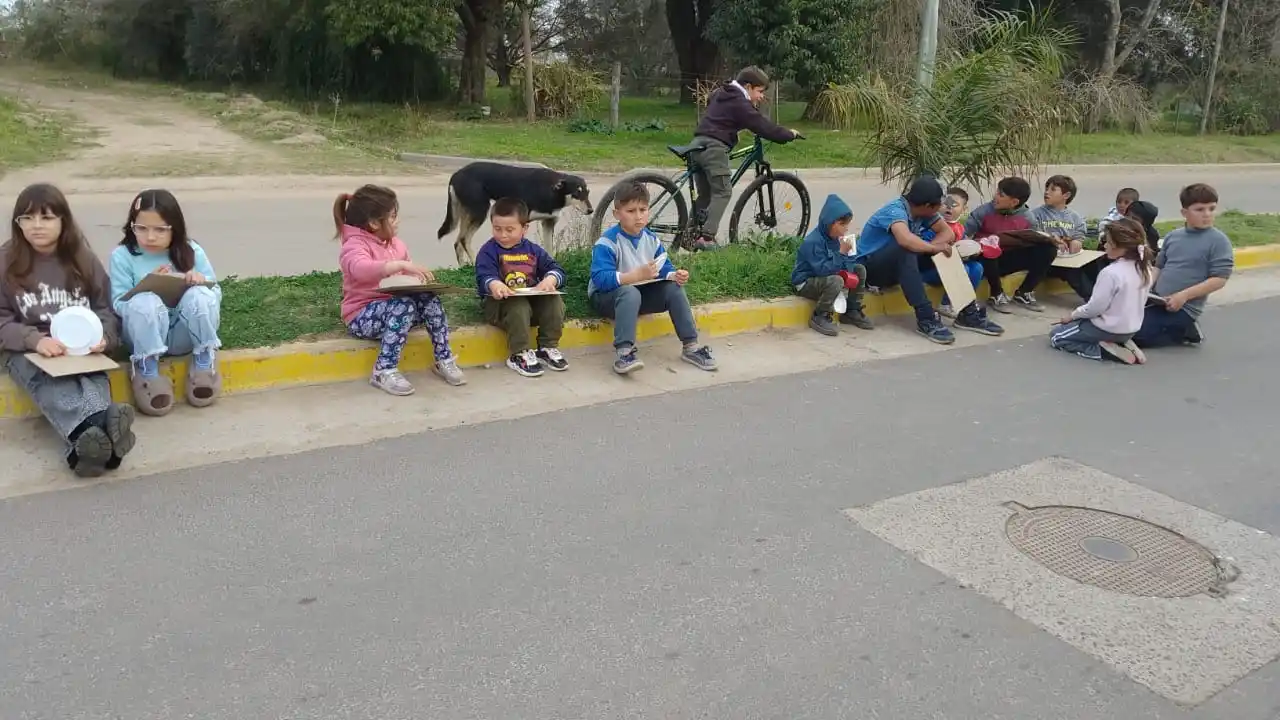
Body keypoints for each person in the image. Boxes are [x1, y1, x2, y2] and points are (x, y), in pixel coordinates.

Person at [0, 183, 136, 478]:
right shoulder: (5, 262)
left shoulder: (82, 259)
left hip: (80, 345)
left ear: (63, 220)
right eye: (27, 218)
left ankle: (87, 449)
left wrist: (104, 338)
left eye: (46, 218)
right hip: (29, 349)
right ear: (17, 223)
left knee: (91, 378)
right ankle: (104, 438)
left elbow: (105, 308)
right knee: (55, 384)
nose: (36, 226)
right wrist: (34, 340)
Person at [336, 184, 466, 396]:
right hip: (362, 316)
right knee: (403, 306)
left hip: (395, 310)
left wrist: (418, 280)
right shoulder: (354, 246)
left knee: (429, 299)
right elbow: (361, 270)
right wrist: (398, 266)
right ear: (373, 223)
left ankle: (444, 359)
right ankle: (383, 370)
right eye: (393, 217)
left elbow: (407, 273)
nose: (398, 222)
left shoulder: (396, 244)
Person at [109, 189, 223, 416]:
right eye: (141, 228)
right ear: (131, 226)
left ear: (175, 227)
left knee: (200, 295)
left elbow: (216, 293)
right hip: (145, 335)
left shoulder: (191, 250)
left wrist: (200, 282)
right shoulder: (122, 256)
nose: (150, 237)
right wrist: (146, 288)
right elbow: (118, 304)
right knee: (145, 301)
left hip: (184, 335)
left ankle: (203, 362)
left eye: (160, 229)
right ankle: (146, 370)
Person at [588, 182, 717, 374]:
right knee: (630, 293)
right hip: (607, 298)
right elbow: (600, 279)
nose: (638, 216)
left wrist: (674, 275)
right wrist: (634, 276)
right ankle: (624, 353)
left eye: (643, 209)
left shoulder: (651, 239)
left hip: (638, 295)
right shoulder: (607, 242)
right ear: (617, 214)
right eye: (631, 211)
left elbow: (662, 266)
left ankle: (691, 346)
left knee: (673, 289)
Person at [687, 66, 801, 250]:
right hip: (714, 148)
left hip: (697, 145)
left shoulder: (721, 92)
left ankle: (689, 236)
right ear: (747, 87)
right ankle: (706, 238)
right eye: (760, 91)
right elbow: (761, 125)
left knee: (707, 194)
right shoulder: (739, 102)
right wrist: (788, 134)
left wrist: (730, 126)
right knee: (723, 191)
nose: (761, 96)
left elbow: (712, 101)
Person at [855, 176, 958, 344]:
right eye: (938, 205)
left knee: (946, 251)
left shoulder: (923, 212)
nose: (941, 209)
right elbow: (905, 239)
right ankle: (926, 318)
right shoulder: (895, 210)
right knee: (908, 249)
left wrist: (930, 248)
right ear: (927, 206)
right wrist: (931, 248)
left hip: (899, 265)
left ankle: (968, 311)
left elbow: (948, 233)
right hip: (871, 270)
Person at [475, 197, 569, 377]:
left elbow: (556, 269)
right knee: (518, 305)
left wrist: (551, 279)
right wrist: (493, 283)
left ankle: (547, 347)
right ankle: (519, 353)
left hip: (531, 304)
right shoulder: (489, 251)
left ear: (525, 228)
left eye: (510, 230)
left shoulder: (533, 250)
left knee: (554, 300)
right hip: (500, 306)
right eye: (497, 229)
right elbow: (483, 276)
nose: (503, 235)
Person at [1131, 183, 1234, 348]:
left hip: (1184, 307)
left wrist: (1183, 296)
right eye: (1200, 210)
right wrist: (1147, 285)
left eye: (1211, 209)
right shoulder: (1173, 236)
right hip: (1158, 300)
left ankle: (1184, 330)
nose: (1207, 214)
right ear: (1184, 213)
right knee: (1121, 324)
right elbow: (1159, 266)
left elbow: (1219, 279)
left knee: (1138, 335)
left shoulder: (1218, 241)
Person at [1049, 217, 1152, 364]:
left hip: (1106, 329)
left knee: (1057, 337)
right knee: (1074, 329)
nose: (1105, 246)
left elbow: (1095, 308)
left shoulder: (1111, 273)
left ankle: (1103, 351)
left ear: (1118, 246)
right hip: (1130, 329)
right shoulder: (1145, 268)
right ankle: (1123, 343)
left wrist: (1072, 315)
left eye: (1108, 243)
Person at [964, 176, 1056, 313]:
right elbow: (964, 234)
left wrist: (1050, 239)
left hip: (1009, 258)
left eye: (1001, 195)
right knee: (990, 249)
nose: (996, 197)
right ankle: (996, 295)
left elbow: (1034, 238)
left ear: (1014, 202)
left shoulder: (1028, 218)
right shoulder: (983, 211)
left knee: (1048, 249)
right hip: (986, 260)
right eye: (997, 192)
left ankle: (1025, 292)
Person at [790, 194, 871, 336]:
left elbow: (846, 266)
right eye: (842, 224)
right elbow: (823, 270)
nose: (845, 228)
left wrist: (850, 256)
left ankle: (852, 310)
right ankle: (819, 315)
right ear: (830, 223)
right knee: (836, 280)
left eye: (847, 224)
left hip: (826, 277)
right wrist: (840, 253)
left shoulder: (835, 239)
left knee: (860, 270)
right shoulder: (813, 242)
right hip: (806, 282)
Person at [1035, 175, 1097, 300]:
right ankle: (1092, 299)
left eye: (1053, 189)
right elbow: (1034, 235)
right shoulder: (1037, 214)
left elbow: (1079, 234)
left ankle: (1105, 294)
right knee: (1072, 271)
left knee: (1094, 264)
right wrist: (1050, 240)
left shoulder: (1075, 217)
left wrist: (1077, 241)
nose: (1047, 192)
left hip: (1069, 257)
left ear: (1066, 195)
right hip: (1050, 261)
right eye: (1047, 188)